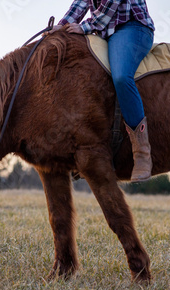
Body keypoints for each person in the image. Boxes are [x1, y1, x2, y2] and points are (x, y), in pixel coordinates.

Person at [49, 0, 155, 182]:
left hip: (132, 28)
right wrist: (61, 27)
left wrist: (86, 27)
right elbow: (80, 5)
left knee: (121, 77)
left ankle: (142, 154)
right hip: (104, 32)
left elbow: (110, 5)